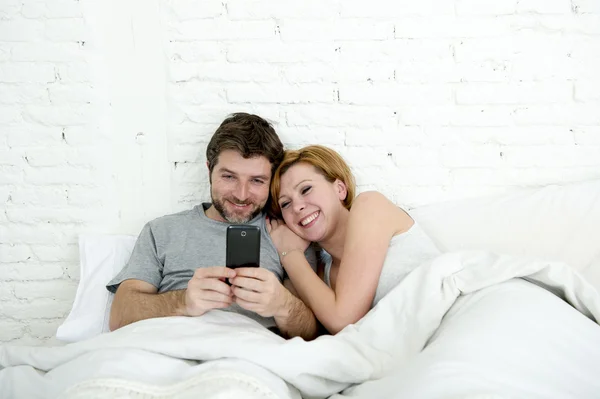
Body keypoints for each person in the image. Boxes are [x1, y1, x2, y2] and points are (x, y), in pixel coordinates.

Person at [107, 113, 319, 340]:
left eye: (257, 180)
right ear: (209, 170)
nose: (241, 194)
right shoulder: (161, 231)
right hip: (170, 348)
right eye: (229, 177)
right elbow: (120, 316)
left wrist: (282, 304)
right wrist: (183, 302)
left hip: (250, 355)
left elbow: (311, 332)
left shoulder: (289, 236)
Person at [267, 145, 441, 335]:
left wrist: (290, 254)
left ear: (340, 189)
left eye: (306, 189)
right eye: (285, 203)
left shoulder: (370, 206)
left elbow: (342, 321)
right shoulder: (321, 277)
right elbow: (313, 335)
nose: (298, 206)